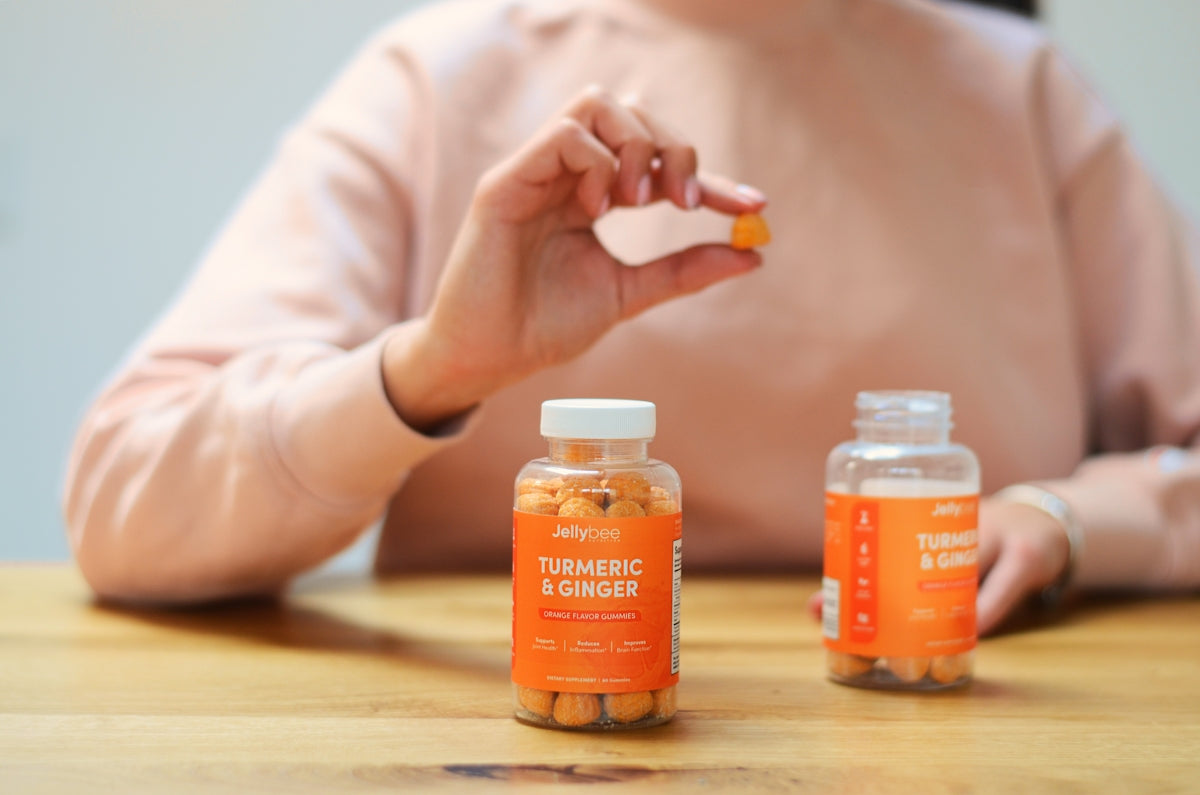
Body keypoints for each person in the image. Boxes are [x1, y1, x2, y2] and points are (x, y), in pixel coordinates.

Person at [64, 0, 1200, 635]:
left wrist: (1065, 521)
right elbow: (126, 501)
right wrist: (430, 371)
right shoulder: (437, 74)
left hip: (977, 724)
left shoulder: (1025, 92)